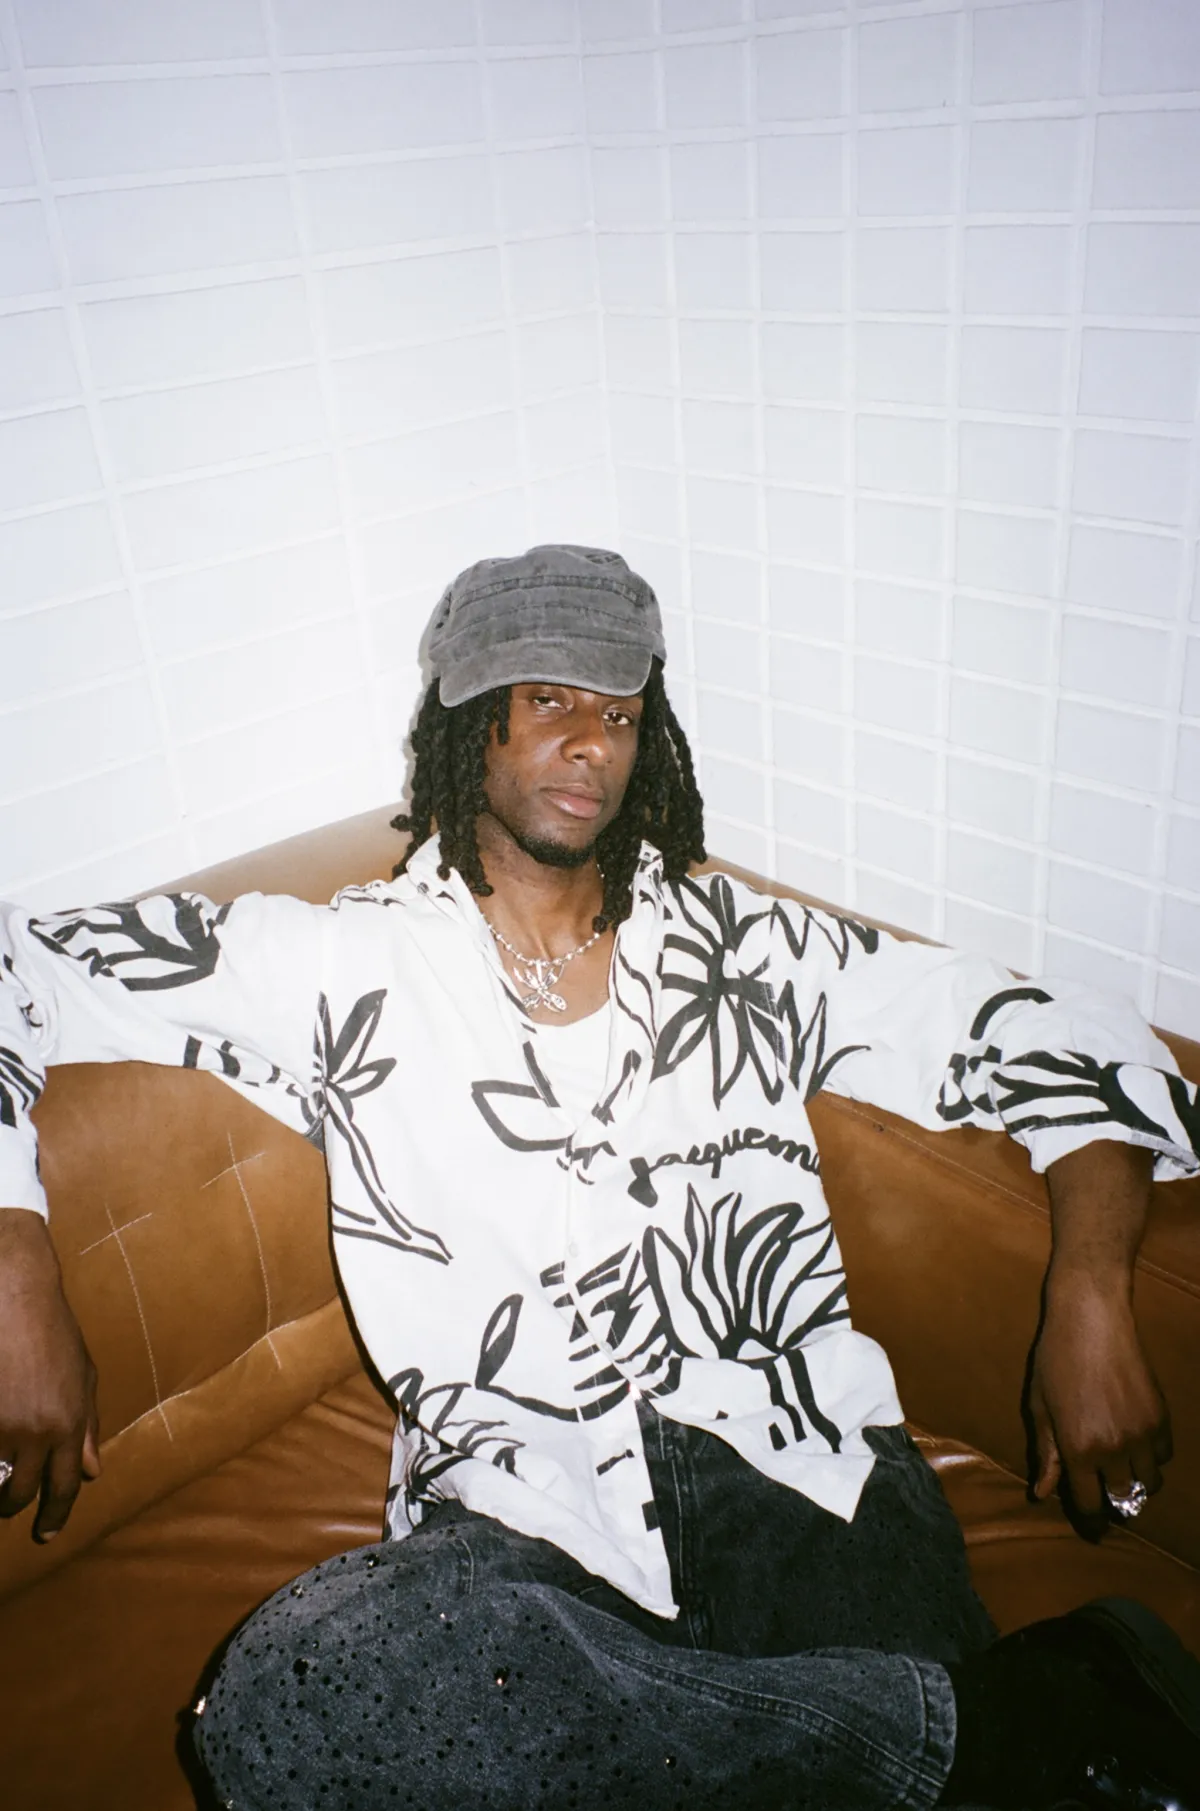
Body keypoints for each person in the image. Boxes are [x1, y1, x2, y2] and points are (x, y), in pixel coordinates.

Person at [0, 543, 1198, 1811]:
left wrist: (1090, 1293)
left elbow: (1064, 1029)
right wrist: (18, 1267)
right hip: (524, 1512)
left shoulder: (742, 947)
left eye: (620, 711)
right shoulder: (342, 966)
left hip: (803, 1478)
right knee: (290, 1692)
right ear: (467, 716)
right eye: (549, 699)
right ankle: (1015, 1721)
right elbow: (25, 969)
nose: (590, 742)